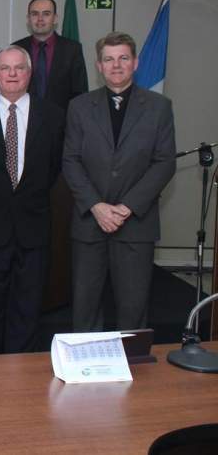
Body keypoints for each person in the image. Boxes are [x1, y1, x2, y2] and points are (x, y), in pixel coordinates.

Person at [63, 32, 176, 332]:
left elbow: (165, 163)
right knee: (85, 307)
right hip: (90, 223)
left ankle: (135, 372)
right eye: (109, 59)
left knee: (133, 308)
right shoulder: (79, 106)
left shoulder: (159, 106)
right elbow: (70, 161)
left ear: (135, 63)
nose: (116, 65)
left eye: (123, 58)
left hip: (136, 224)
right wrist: (97, 206)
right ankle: (84, 372)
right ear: (99, 66)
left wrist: (127, 207)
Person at [0, 45, 65, 354]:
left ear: (29, 73)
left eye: (19, 68)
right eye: (5, 68)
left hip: (33, 228)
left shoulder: (53, 115)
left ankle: (20, 374)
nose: (12, 74)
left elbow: (54, 168)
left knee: (27, 308)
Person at [13, 0, 88, 110]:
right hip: (24, 120)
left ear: (55, 18)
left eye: (46, 14)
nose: (40, 19)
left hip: (62, 122)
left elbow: (80, 92)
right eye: (35, 14)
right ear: (28, 19)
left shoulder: (72, 49)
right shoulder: (16, 49)